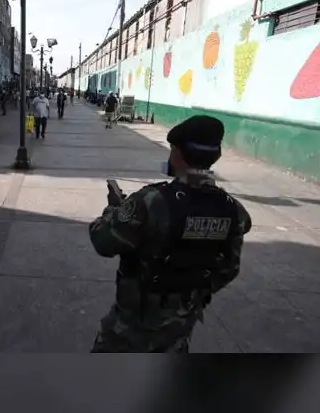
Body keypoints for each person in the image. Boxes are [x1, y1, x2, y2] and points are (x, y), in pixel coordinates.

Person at [88, 115, 251, 352]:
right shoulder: (232, 209)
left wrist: (114, 210)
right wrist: (189, 291)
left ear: (176, 153)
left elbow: (103, 242)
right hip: (181, 326)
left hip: (131, 328)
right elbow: (229, 269)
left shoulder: (150, 201)